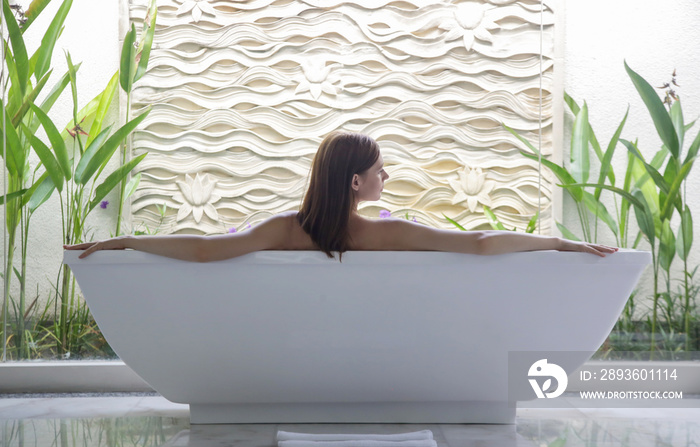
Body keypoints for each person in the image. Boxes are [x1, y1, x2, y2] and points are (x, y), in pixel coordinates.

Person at [64, 132, 617, 261]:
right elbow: (475, 244)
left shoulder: (285, 229)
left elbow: (207, 249)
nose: (386, 180)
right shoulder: (380, 233)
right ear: (356, 181)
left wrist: (128, 241)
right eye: (380, 171)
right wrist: (559, 244)